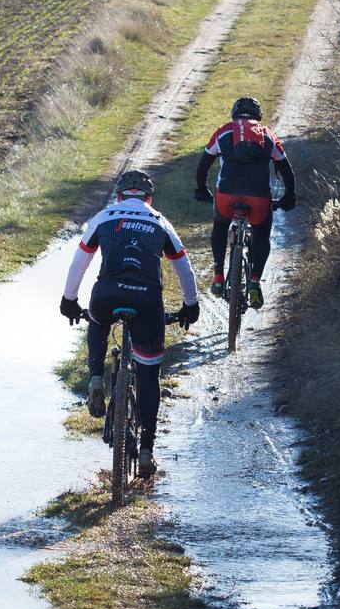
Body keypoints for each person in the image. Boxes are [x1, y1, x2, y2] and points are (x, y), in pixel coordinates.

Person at [60, 169, 199, 477]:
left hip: (106, 294)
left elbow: (79, 261)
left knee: (97, 320)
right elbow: (184, 270)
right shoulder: (160, 221)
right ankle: (147, 451)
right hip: (148, 301)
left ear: (119, 196)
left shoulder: (104, 216)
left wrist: (69, 300)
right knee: (149, 376)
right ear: (148, 198)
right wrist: (191, 306)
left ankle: (96, 377)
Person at [193, 96, 296, 309]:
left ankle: (219, 276)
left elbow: (203, 165)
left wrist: (202, 190)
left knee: (220, 226)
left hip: (226, 197)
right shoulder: (267, 134)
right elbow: (286, 169)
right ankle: (255, 281)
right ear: (258, 116)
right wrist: (289, 196)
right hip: (259, 198)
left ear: (234, 114)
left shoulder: (223, 132)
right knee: (261, 235)